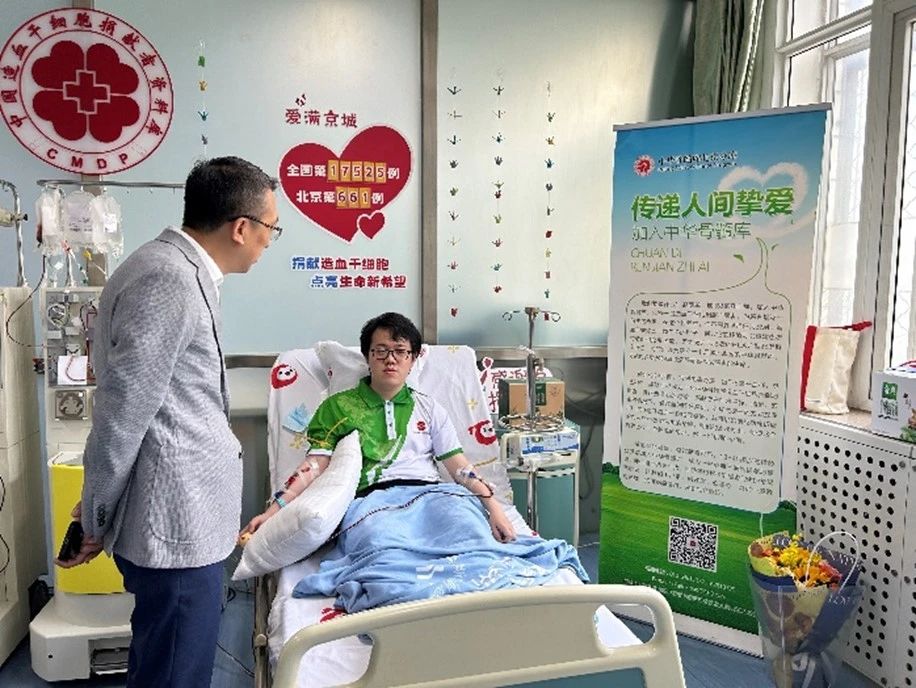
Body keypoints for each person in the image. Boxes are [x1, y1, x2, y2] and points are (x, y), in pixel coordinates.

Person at [56, 156, 280, 688]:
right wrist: (96, 512)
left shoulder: (174, 270)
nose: (269, 241)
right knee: (175, 671)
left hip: (180, 518)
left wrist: (99, 502)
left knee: (165, 661)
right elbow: (123, 411)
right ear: (241, 227)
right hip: (175, 526)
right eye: (271, 228)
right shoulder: (169, 278)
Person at [242, 311, 517, 544]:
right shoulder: (338, 407)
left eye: (400, 351)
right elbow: (313, 467)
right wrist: (272, 512)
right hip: (372, 503)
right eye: (381, 351)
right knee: (380, 544)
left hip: (432, 497)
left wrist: (494, 508)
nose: (391, 359)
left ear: (413, 359)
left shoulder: (430, 408)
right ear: (367, 356)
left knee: (468, 531)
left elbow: (459, 467)